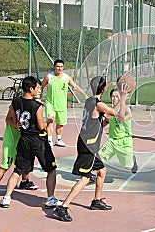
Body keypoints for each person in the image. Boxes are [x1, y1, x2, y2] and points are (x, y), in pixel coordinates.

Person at [53, 76, 130, 222]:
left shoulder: (89, 101)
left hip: (87, 142)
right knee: (85, 178)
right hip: (88, 145)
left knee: (102, 171)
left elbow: (97, 122)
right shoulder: (98, 104)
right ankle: (63, 207)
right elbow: (119, 114)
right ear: (103, 89)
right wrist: (123, 98)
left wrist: (105, 119)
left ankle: (96, 201)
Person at [0, 76, 61, 208]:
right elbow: (40, 126)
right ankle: (50, 198)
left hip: (24, 140)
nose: (40, 90)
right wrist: (49, 121)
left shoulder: (16, 101)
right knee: (51, 169)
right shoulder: (37, 106)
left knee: (18, 170)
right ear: (31, 89)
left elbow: (8, 119)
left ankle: (6, 197)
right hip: (38, 141)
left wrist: (16, 124)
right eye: (38, 88)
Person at [0, 110, 38, 201]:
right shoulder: (15, 106)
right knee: (5, 165)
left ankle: (24, 182)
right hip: (11, 141)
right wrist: (15, 125)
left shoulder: (31, 105)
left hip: (23, 140)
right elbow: (7, 119)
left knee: (25, 162)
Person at [41, 59, 88, 147]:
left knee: (60, 123)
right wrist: (36, 97)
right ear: (54, 67)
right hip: (50, 104)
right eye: (58, 66)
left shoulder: (66, 78)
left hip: (62, 105)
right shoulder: (49, 77)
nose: (59, 68)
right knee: (50, 121)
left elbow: (75, 86)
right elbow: (41, 87)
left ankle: (58, 140)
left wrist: (84, 95)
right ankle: (49, 140)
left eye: (61, 67)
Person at [99, 89, 138, 174]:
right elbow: (106, 121)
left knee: (128, 167)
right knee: (98, 157)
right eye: (113, 96)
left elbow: (129, 115)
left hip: (124, 141)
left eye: (117, 97)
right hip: (112, 141)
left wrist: (121, 102)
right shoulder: (109, 110)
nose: (114, 98)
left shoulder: (125, 109)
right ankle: (93, 175)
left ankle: (133, 161)